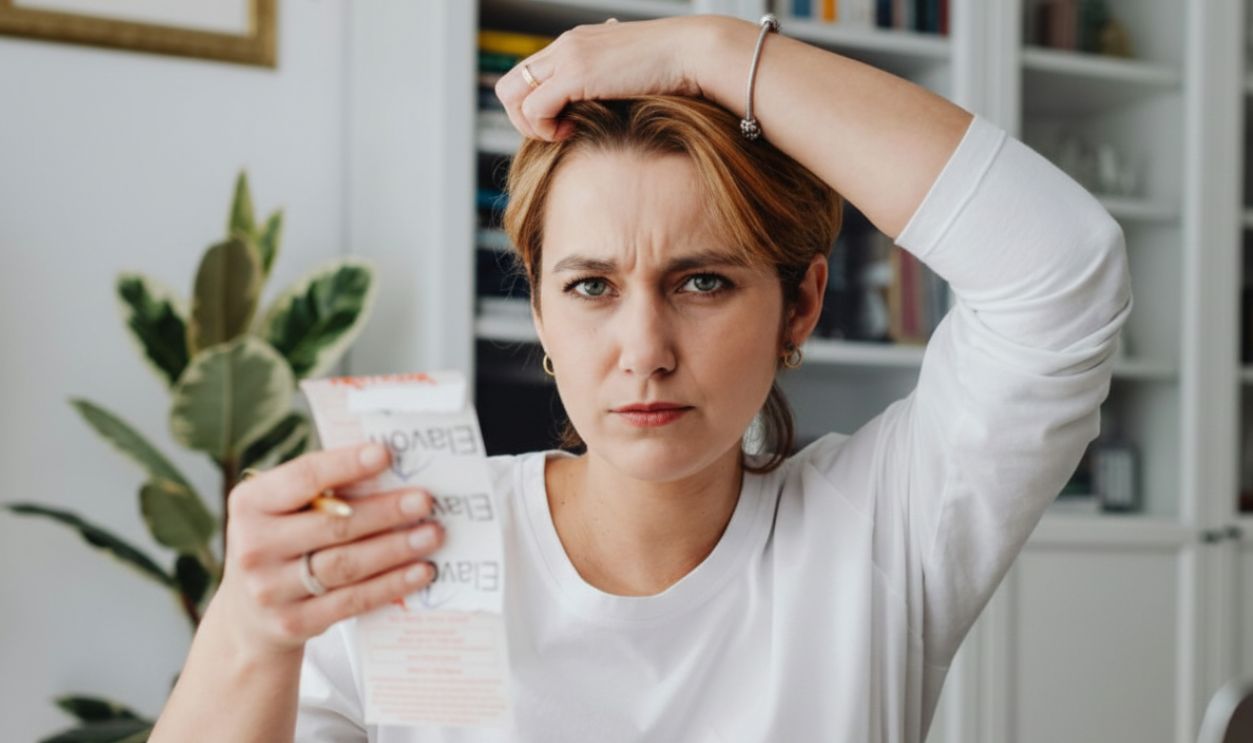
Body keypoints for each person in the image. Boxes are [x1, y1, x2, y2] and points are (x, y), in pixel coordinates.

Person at [150, 12, 1132, 743]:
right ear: (539, 310)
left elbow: (1061, 269)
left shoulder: (880, 532)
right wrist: (249, 624)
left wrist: (710, 50)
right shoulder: (409, 548)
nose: (644, 346)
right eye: (589, 285)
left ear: (798, 305)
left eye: (701, 280)